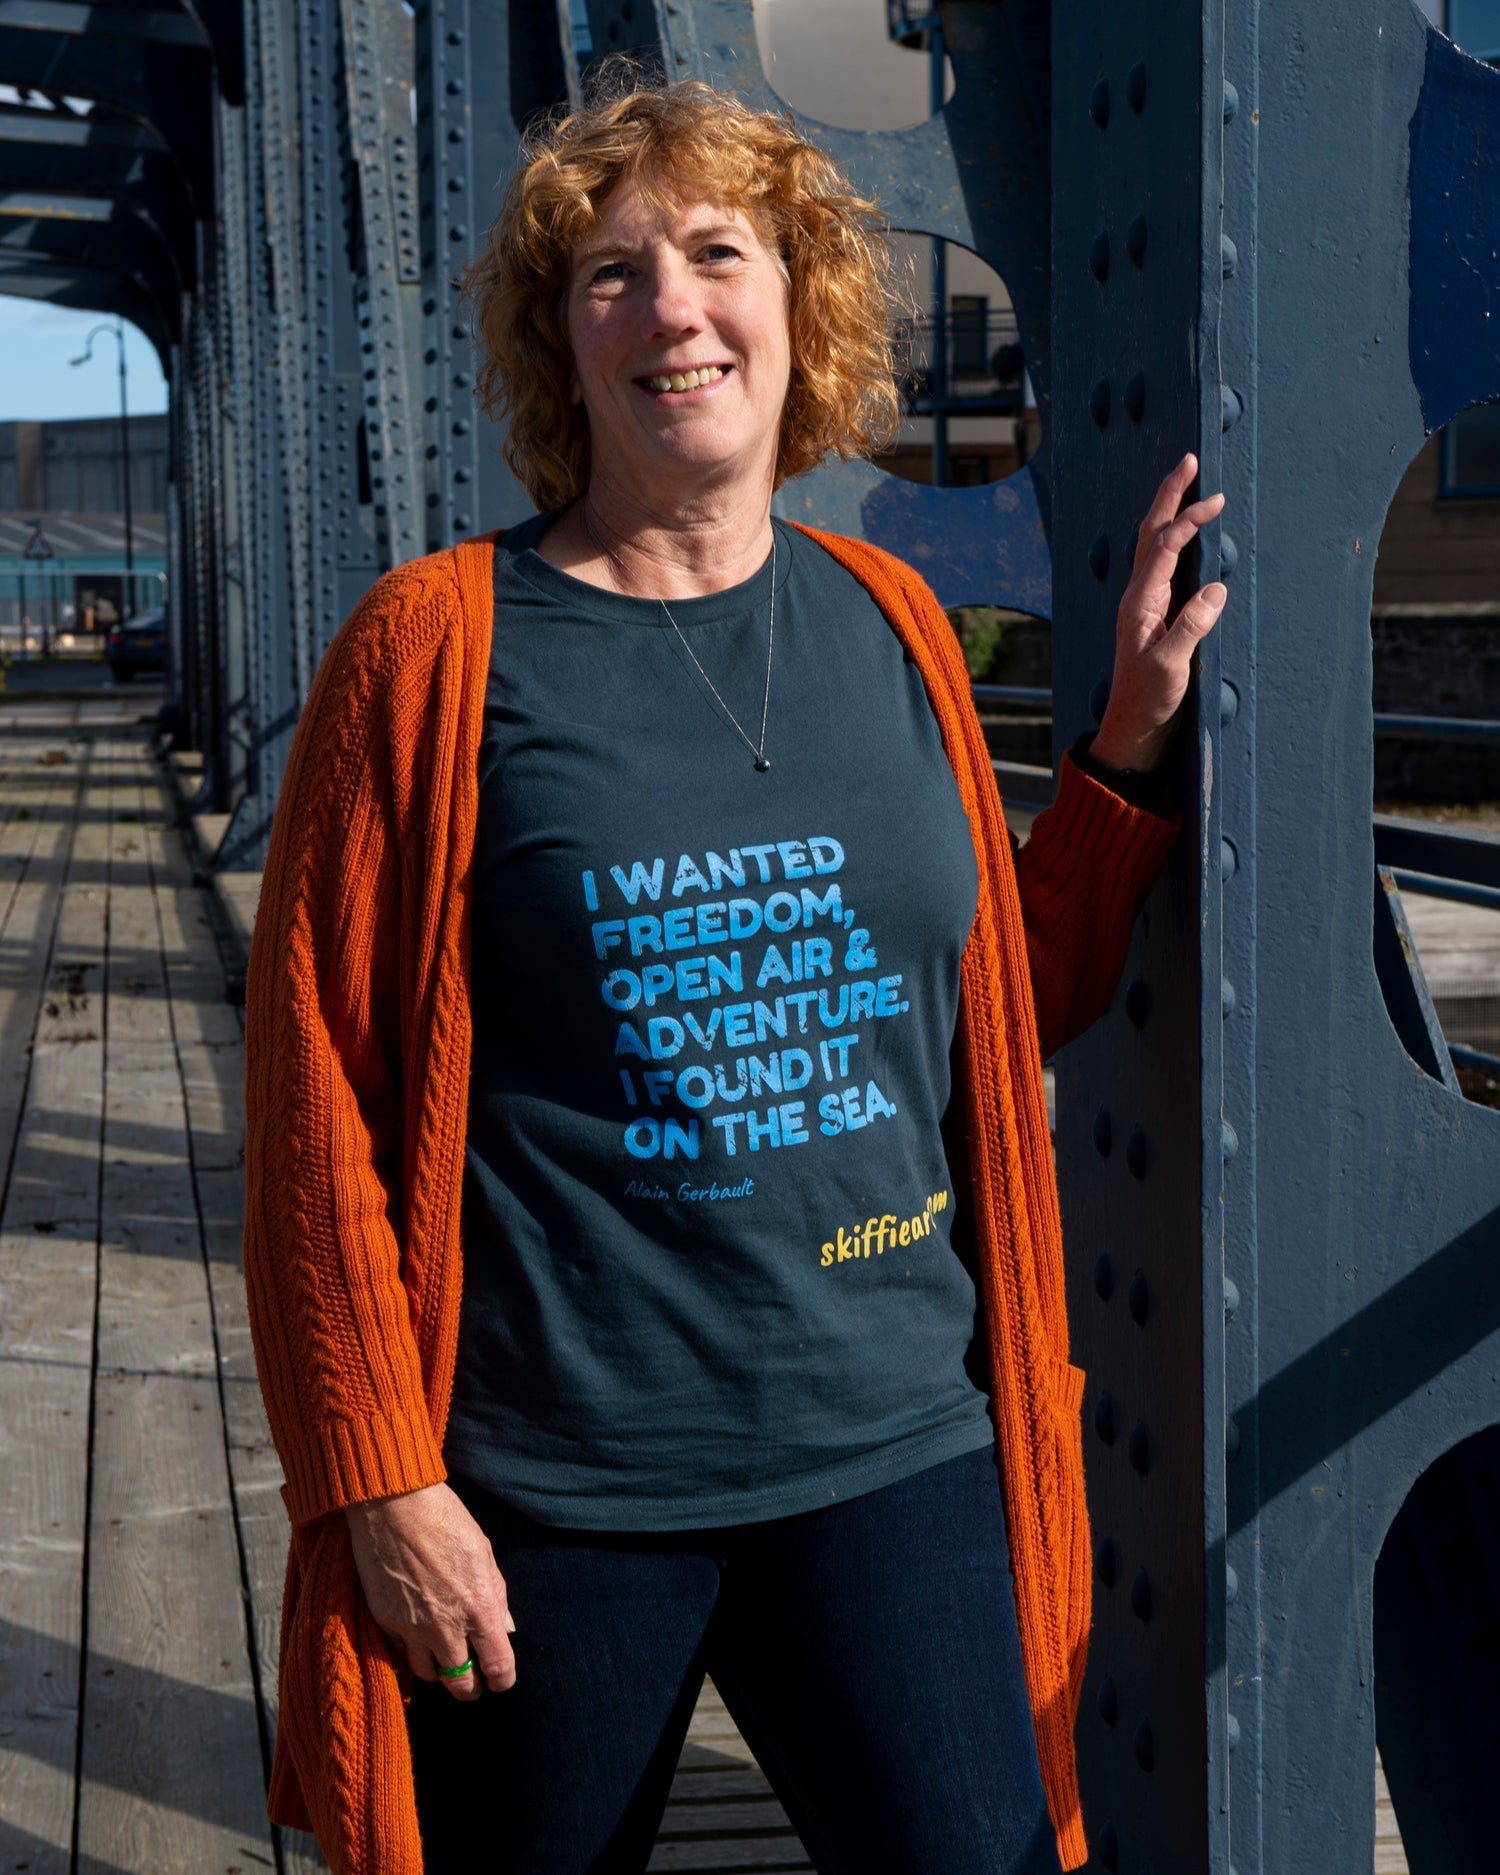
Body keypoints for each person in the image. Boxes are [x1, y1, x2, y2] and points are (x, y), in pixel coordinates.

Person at [243, 70, 1226, 1875]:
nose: (672, 309)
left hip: (892, 1448)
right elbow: (317, 1115)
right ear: (560, 344)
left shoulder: (889, 620)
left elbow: (974, 1012)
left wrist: (1124, 761)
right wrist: (379, 1478)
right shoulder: (432, 651)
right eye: (611, 274)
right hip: (553, 1496)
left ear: (799, 304)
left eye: (717, 254)